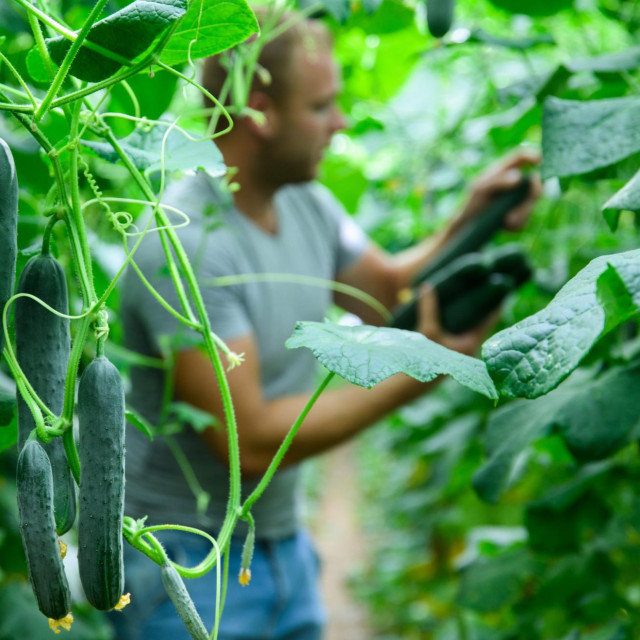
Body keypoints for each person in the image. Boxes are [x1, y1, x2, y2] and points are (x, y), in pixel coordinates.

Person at [111, 10, 541, 640]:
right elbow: (248, 442)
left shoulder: (305, 199)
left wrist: (469, 217)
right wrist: (413, 378)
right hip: (185, 571)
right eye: (322, 107)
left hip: (280, 551)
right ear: (259, 111)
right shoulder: (182, 244)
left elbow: (386, 295)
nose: (340, 123)